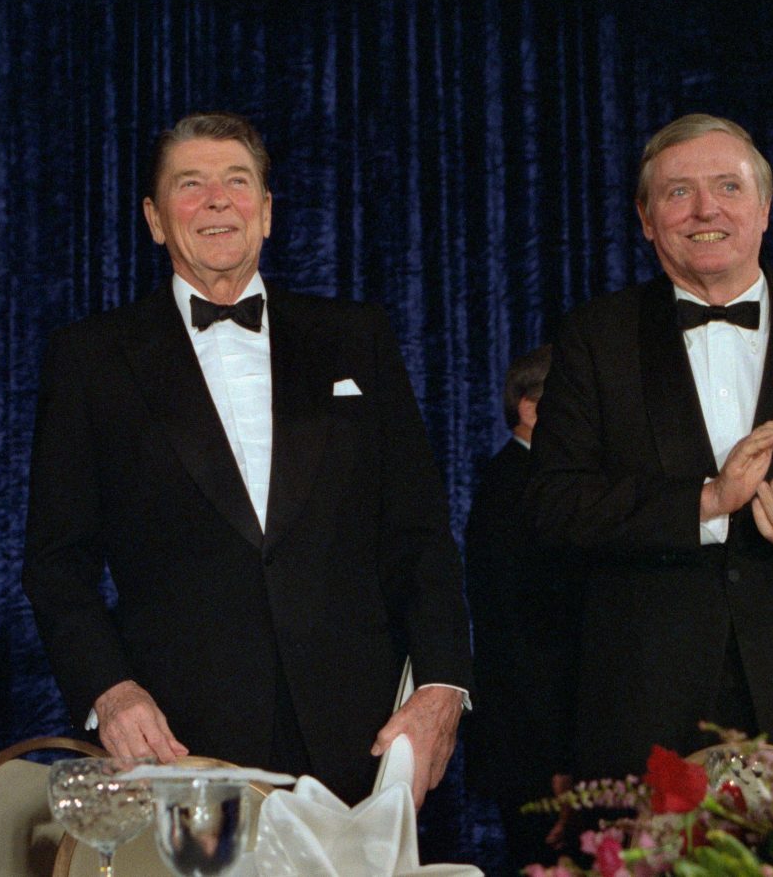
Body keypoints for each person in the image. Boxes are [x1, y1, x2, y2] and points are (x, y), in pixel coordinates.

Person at [23, 112, 472, 807]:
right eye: (189, 184)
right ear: (154, 219)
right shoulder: (90, 358)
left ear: (265, 212)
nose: (216, 201)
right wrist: (109, 691)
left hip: (364, 739)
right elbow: (56, 561)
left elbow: (419, 533)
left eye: (236, 182)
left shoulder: (357, 337)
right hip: (180, 742)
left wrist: (442, 685)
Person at [527, 114, 773, 780]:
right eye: (678, 192)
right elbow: (552, 507)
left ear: (765, 209)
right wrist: (707, 502)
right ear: (646, 219)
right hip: (643, 709)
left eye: (728, 187)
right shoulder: (595, 336)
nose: (705, 209)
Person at [462, 344, 579, 872]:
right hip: (534, 747)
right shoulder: (516, 489)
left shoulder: (522, 480)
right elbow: (522, 636)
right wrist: (556, 761)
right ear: (530, 408)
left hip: (537, 739)